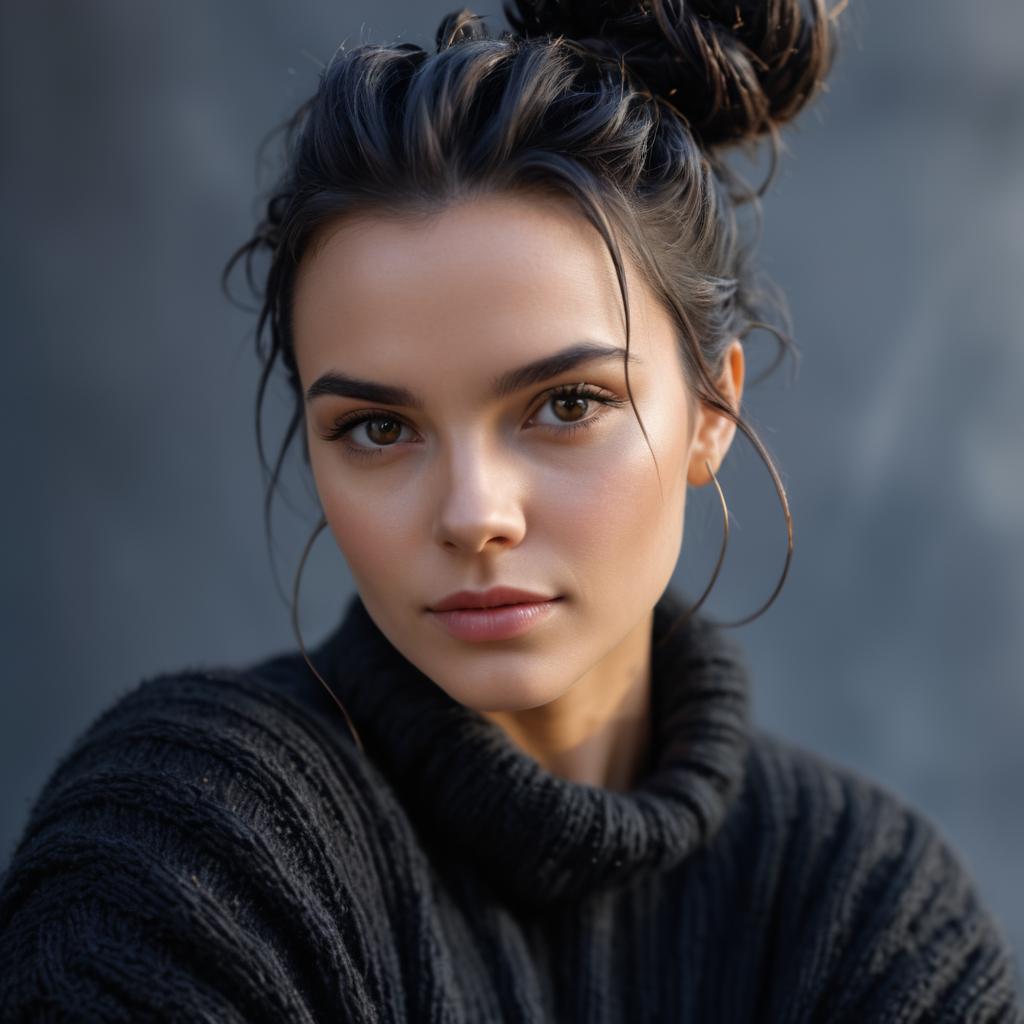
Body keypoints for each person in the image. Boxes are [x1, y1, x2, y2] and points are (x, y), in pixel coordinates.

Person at [1, 1, 1021, 1020]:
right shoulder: (185, 847)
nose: (472, 513)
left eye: (566, 405)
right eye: (376, 428)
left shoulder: (867, 905)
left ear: (713, 408)